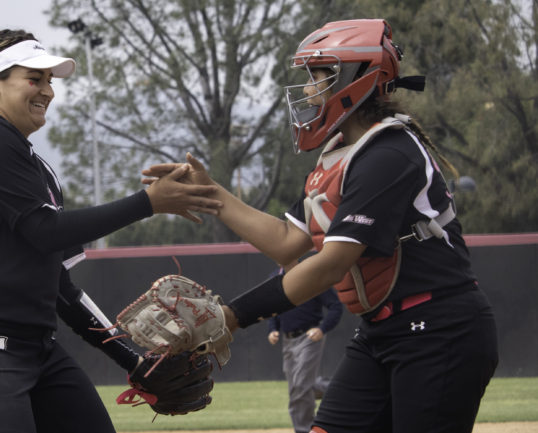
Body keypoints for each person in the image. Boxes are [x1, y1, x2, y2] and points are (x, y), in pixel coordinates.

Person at [143, 19, 499, 433]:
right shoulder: (341, 153)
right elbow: (287, 242)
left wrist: (231, 316)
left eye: (318, 76)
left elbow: (331, 264)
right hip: (384, 330)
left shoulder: (388, 154)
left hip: (441, 331)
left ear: (355, 78)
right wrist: (211, 195)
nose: (309, 90)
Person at [0, 29, 222, 433]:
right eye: (34, 78)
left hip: (35, 346)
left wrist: (133, 361)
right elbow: (45, 230)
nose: (48, 90)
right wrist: (148, 202)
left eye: (49, 81)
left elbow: (60, 287)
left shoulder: (38, 169)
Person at [267, 266, 343, 433]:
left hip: (309, 337)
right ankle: (343, 390)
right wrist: (273, 329)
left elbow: (336, 306)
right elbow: (273, 308)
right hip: (287, 340)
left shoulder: (311, 275)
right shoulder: (276, 278)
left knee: (301, 385)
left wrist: (322, 329)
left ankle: (304, 429)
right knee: (299, 387)